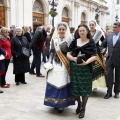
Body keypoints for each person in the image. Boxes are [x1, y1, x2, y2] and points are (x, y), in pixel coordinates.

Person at [44, 22, 75, 113]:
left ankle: (62, 104)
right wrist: (49, 63)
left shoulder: (70, 39)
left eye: (63, 29)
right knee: (53, 80)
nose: (61, 31)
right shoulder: (54, 39)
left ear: (66, 30)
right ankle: (53, 102)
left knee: (63, 81)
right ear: (57, 30)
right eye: (60, 29)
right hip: (55, 63)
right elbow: (51, 52)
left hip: (65, 64)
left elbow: (72, 52)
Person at [67, 24, 97, 118]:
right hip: (75, 68)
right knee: (75, 89)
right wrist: (73, 58)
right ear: (78, 32)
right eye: (80, 31)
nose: (82, 32)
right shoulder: (74, 41)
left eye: (83, 30)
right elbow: (68, 53)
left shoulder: (91, 42)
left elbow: (95, 55)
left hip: (86, 68)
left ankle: (83, 109)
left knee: (85, 90)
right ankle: (79, 104)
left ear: (87, 31)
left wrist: (86, 62)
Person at [101, 21, 120, 99]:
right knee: (109, 75)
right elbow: (102, 45)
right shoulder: (109, 35)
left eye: (115, 27)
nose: (114, 29)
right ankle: (109, 92)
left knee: (118, 77)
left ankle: (117, 92)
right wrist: (104, 51)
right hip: (109, 59)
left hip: (119, 59)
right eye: (113, 27)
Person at [89, 20, 106, 90]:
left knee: (96, 68)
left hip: (96, 52)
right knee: (89, 68)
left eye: (93, 25)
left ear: (95, 25)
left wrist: (103, 48)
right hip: (88, 51)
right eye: (90, 25)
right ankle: (90, 85)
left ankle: (95, 85)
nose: (91, 26)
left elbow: (104, 41)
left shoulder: (99, 33)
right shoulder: (87, 32)